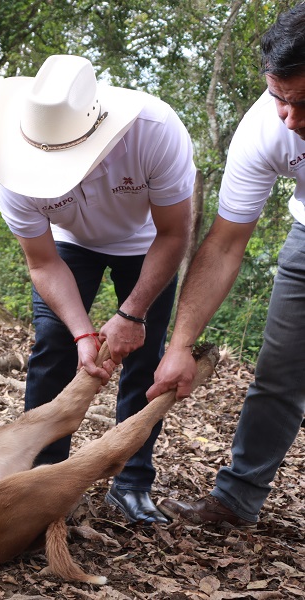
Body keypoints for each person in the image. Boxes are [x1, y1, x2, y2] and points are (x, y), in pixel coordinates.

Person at [0, 54, 196, 524]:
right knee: (54, 349)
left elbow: (175, 233)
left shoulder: (155, 132)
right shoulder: (11, 166)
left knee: (146, 360)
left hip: (146, 243)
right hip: (67, 244)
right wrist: (83, 333)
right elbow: (42, 261)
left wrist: (132, 313)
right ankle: (42, 478)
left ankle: (132, 481)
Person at [148, 3, 305, 528]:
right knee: (278, 374)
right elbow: (225, 244)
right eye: (281, 99)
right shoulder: (267, 127)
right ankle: (235, 502)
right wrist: (179, 346)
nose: (292, 119)